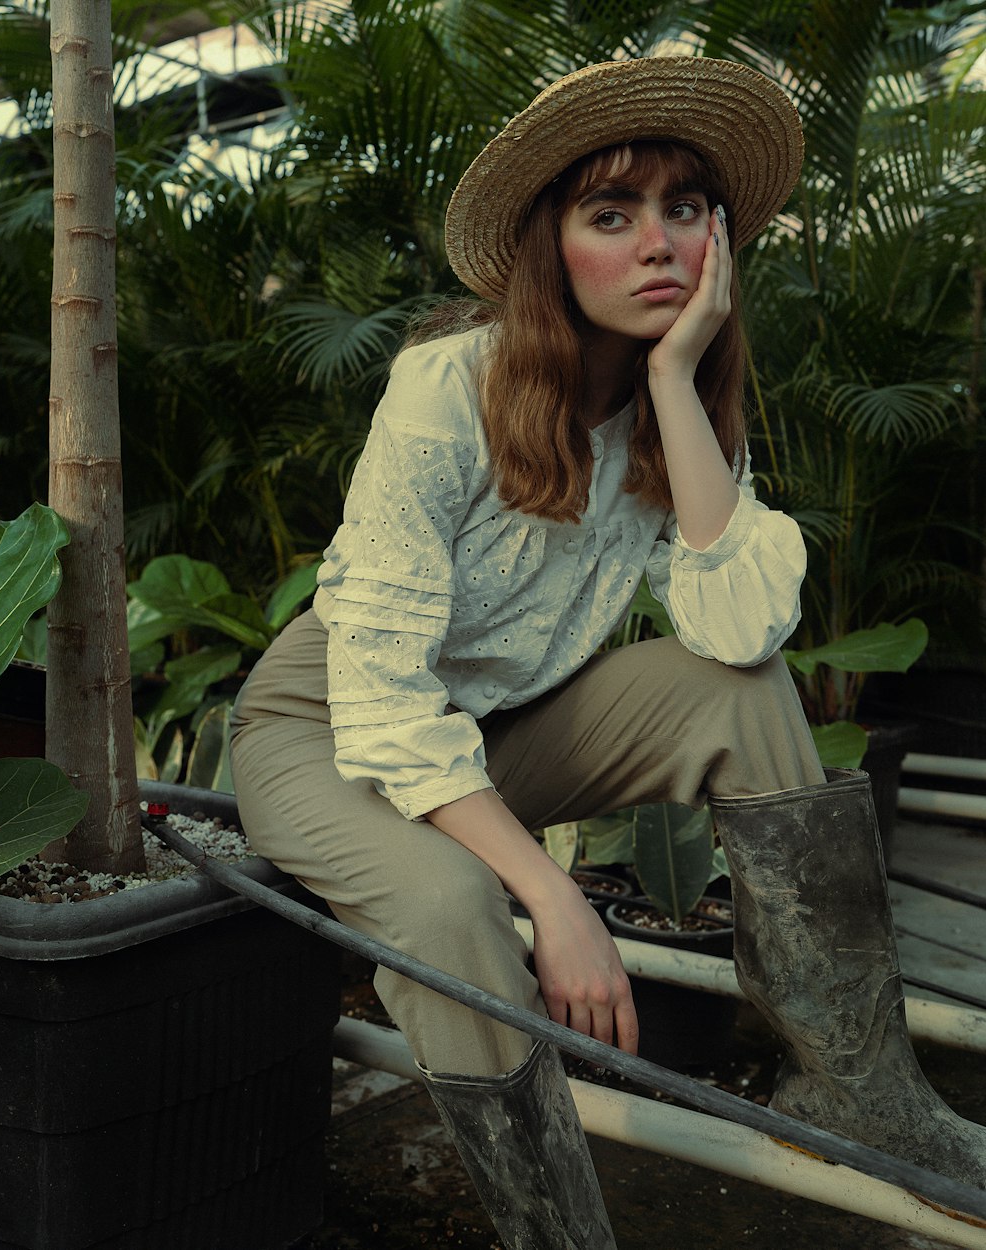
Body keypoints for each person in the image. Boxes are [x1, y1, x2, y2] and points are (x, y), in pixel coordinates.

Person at [231, 56, 984, 1249]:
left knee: (734, 686)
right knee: (447, 900)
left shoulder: (672, 401)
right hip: (328, 733)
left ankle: (861, 1091)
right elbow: (380, 705)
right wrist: (551, 892)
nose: (657, 245)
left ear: (721, 242)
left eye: (685, 209)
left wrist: (679, 382)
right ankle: (555, 1227)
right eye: (611, 213)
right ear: (549, 246)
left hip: (491, 731)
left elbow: (739, 633)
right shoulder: (444, 390)